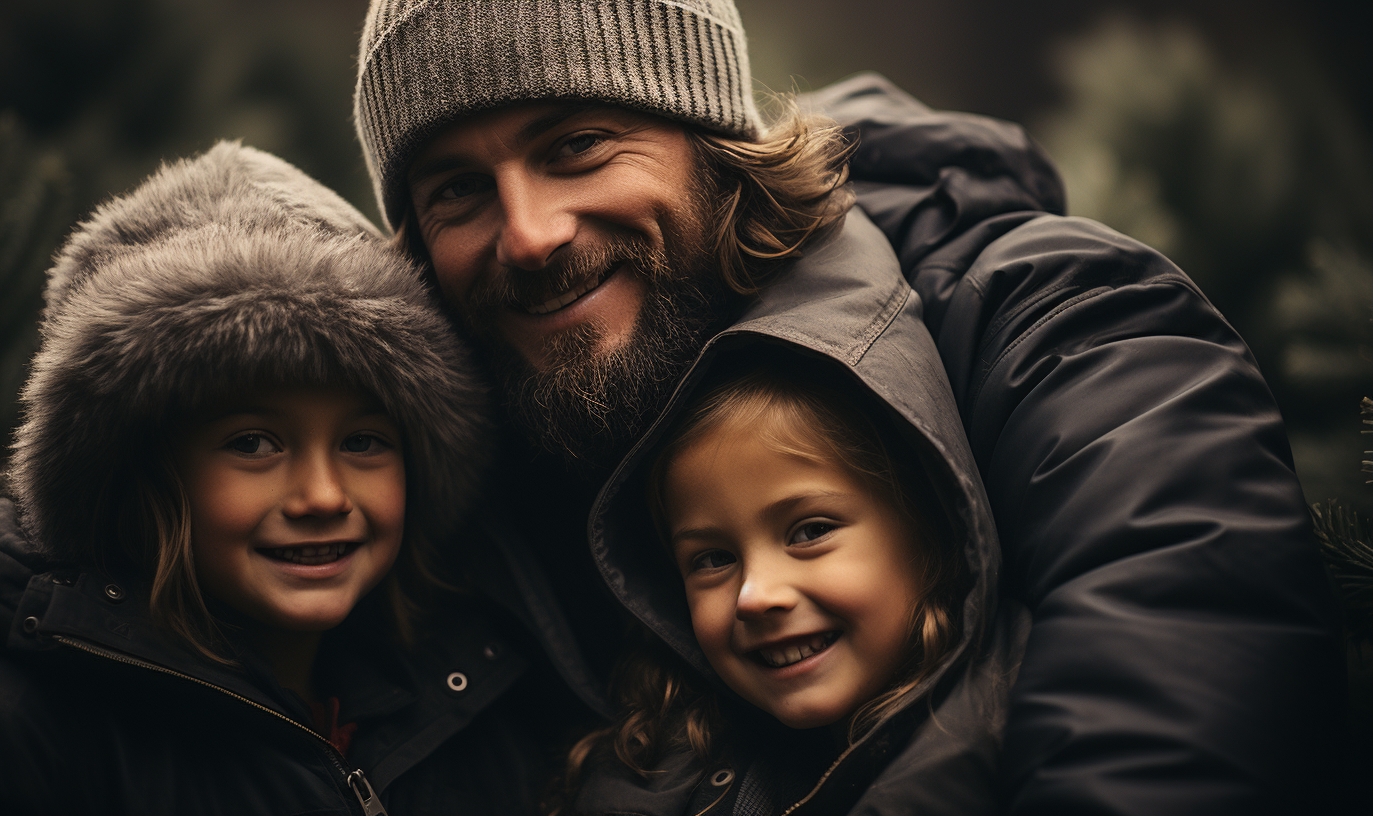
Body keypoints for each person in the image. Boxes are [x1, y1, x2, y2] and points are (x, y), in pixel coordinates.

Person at [348, 1, 1345, 813]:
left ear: (712, 143)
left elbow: (1177, 648)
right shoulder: (416, 498)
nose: (526, 233)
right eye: (457, 192)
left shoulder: (1049, 318)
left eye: (576, 144)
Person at [0, 142, 541, 815]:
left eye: (364, 442)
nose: (323, 497)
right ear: (138, 469)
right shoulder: (3, 738)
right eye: (253, 443)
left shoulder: (472, 705)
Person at [566, 347, 1028, 816]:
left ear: (928, 528)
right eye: (713, 559)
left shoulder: (1023, 728)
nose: (755, 596)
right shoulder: (652, 762)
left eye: (811, 532)